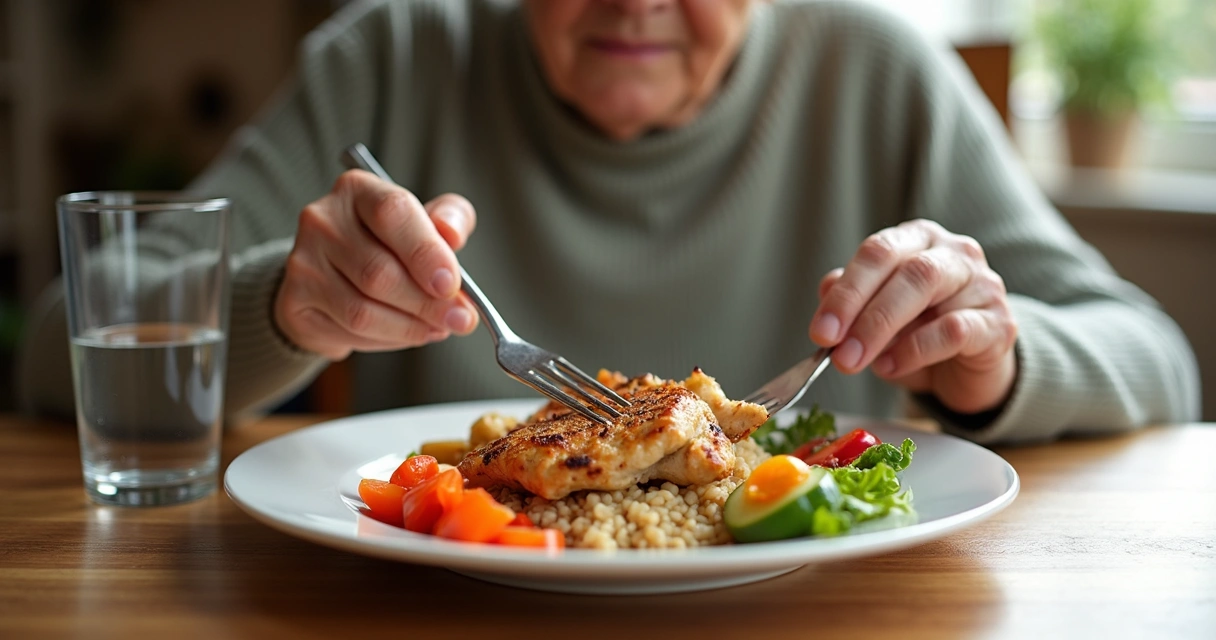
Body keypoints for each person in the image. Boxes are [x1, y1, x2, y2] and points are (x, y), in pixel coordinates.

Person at [18, 0, 1200, 443]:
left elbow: (1156, 355)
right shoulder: (391, 52)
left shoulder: (881, 70)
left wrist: (993, 356)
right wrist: (283, 303)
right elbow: (55, 336)